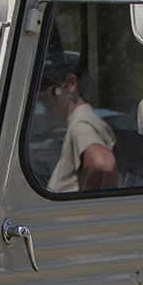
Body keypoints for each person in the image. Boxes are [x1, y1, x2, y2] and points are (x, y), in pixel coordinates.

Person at [38, 51, 117, 193]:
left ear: (71, 83)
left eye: (50, 85)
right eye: (40, 86)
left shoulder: (80, 124)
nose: (42, 95)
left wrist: (85, 207)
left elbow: (103, 162)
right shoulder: (80, 120)